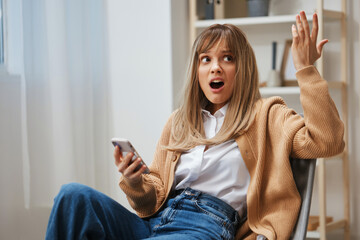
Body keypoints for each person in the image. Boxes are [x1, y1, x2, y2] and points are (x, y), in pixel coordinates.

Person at [45, 11, 344, 240]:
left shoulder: (267, 115)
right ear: (197, 70)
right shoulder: (179, 122)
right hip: (157, 223)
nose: (215, 66)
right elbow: (150, 202)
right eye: (206, 59)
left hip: (209, 225)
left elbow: (327, 141)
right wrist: (136, 182)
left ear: (243, 69)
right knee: (73, 198)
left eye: (228, 58)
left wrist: (306, 70)